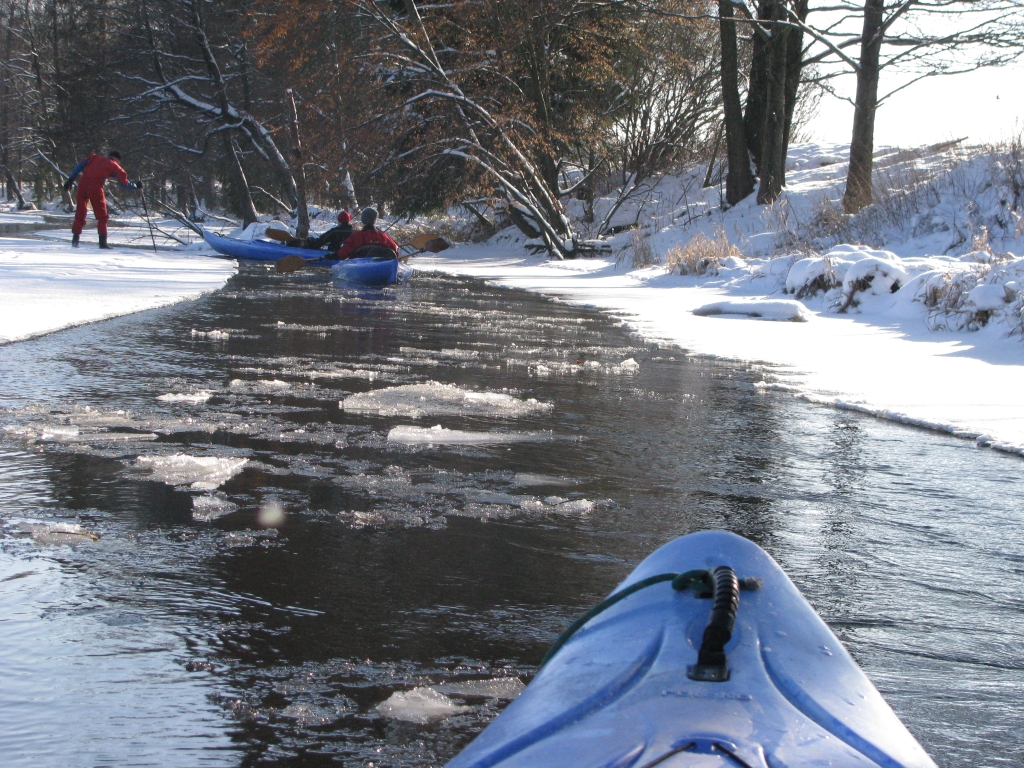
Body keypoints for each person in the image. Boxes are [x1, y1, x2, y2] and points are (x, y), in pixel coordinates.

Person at [64, 151, 138, 249]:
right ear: (117, 160)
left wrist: (70, 180)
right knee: (102, 217)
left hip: (82, 186)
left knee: (80, 213)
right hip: (95, 188)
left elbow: (79, 167)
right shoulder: (114, 165)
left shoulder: (94, 158)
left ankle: (75, 240)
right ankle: (102, 243)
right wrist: (136, 186)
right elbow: (124, 182)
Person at [335, 207, 399, 259]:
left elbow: (344, 252)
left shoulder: (357, 236)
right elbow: (395, 249)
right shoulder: (383, 236)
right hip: (382, 265)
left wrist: (334, 256)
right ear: (375, 221)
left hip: (361, 266)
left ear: (362, 221)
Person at [288, 210, 354, 251]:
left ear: (339, 221)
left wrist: (311, 241)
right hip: (349, 257)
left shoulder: (335, 232)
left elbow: (320, 242)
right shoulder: (354, 233)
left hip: (334, 256)